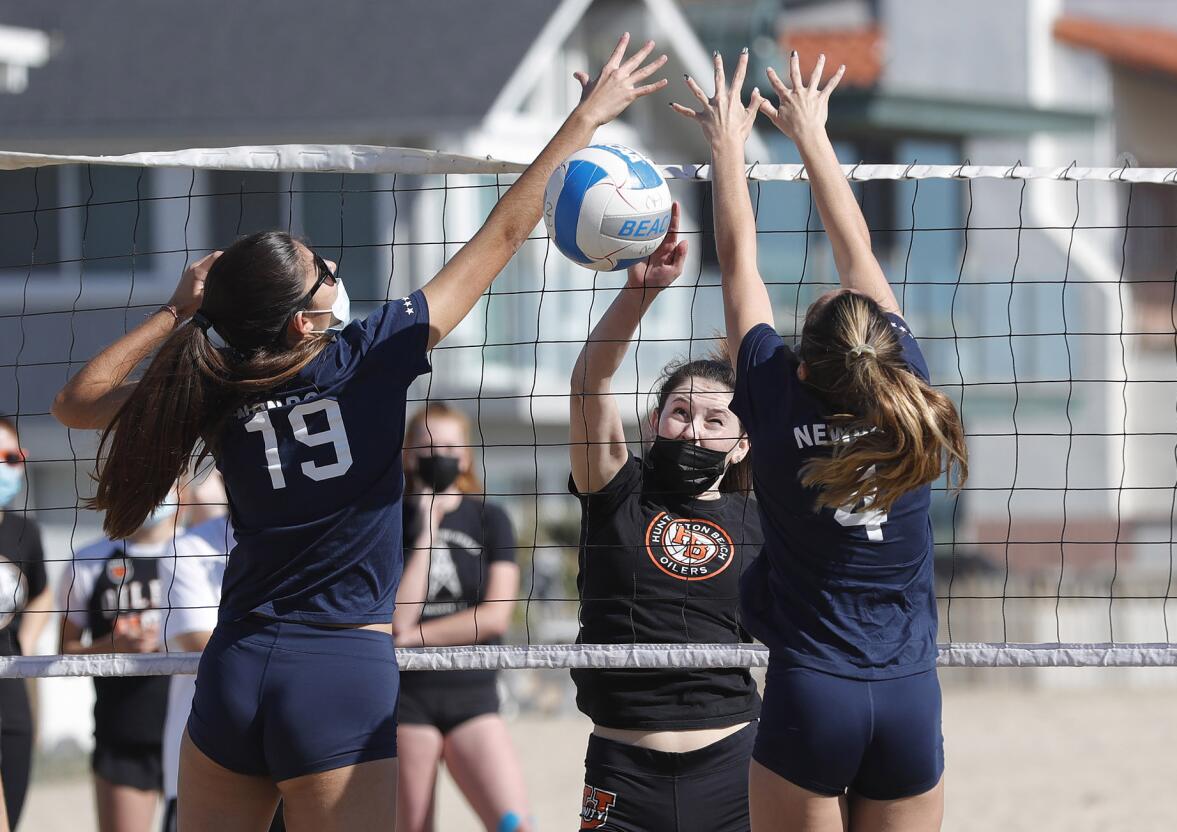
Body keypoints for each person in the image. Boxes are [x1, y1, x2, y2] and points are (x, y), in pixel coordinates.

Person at [51, 33, 668, 832]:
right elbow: (503, 235)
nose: (339, 278)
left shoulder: (210, 387)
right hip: (338, 671)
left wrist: (179, 308)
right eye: (326, 275)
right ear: (307, 319)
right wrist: (583, 117)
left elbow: (75, 401)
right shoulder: (366, 357)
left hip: (236, 666)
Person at [673, 50, 968, 831]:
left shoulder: (772, 395)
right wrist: (813, 135)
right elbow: (859, 251)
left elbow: (738, 259)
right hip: (908, 693)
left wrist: (726, 149)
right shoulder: (910, 399)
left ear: (803, 362)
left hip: (814, 691)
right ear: (882, 350)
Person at [567, 202, 763, 832]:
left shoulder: (759, 519)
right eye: (681, 411)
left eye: (715, 420)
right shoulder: (616, 494)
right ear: (654, 424)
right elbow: (590, 382)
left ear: (740, 445)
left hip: (736, 763)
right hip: (623, 769)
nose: (694, 427)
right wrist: (641, 292)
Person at [392, 402, 527, 832]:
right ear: (409, 455)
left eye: (450, 445)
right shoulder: (388, 520)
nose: (440, 455)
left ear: (466, 455)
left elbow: (494, 617)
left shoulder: (490, 518)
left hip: (473, 693)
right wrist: (427, 527)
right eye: (428, 446)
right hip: (405, 699)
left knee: (514, 825)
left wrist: (414, 637)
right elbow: (397, 619)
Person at [159, 470, 287, 832]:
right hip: (211, 750)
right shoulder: (187, 548)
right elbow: (204, 645)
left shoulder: (309, 542)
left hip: (294, 748)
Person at [61, 494, 176, 832]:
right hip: (125, 735)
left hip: (195, 732)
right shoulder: (89, 561)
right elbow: (65, 653)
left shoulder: (205, 551)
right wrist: (114, 644)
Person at [0, 416, 51, 830]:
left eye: (13, 457)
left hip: (10, 686)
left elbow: (42, 592)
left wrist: (28, 638)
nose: (6, 466)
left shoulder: (24, 533)